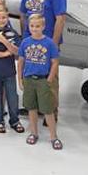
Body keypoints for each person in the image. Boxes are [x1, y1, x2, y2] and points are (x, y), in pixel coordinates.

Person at [19, 0, 66, 120]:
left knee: (50, 80)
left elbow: (60, 19)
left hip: (47, 43)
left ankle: (51, 112)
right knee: (31, 77)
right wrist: (24, 37)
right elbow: (23, 15)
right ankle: (33, 106)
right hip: (30, 42)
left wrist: (53, 42)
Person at [18, 14, 62, 149]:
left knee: (48, 110)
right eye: (32, 26)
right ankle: (34, 133)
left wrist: (49, 79)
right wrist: (20, 78)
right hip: (29, 80)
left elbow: (55, 62)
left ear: (43, 26)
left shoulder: (49, 43)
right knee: (31, 108)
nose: (35, 29)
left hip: (43, 80)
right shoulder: (25, 42)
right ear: (29, 27)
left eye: (37, 26)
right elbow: (21, 62)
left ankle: (54, 137)